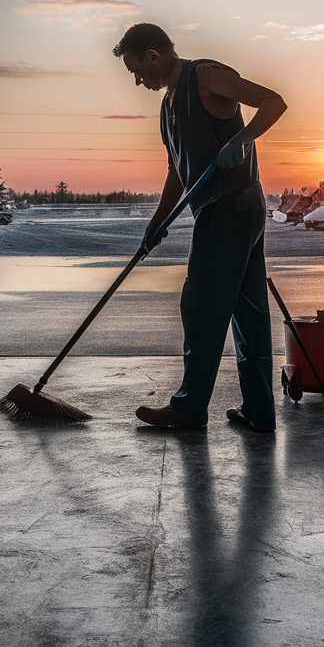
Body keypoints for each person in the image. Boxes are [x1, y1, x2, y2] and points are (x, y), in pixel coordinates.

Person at [113, 22, 287, 433]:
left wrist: (242, 138)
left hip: (231, 206)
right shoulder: (167, 107)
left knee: (201, 307)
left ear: (153, 55)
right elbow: (178, 168)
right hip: (228, 209)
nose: (138, 81)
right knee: (247, 313)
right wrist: (156, 223)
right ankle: (259, 411)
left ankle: (189, 409)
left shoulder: (205, 76)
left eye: (138, 71)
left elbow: (273, 102)